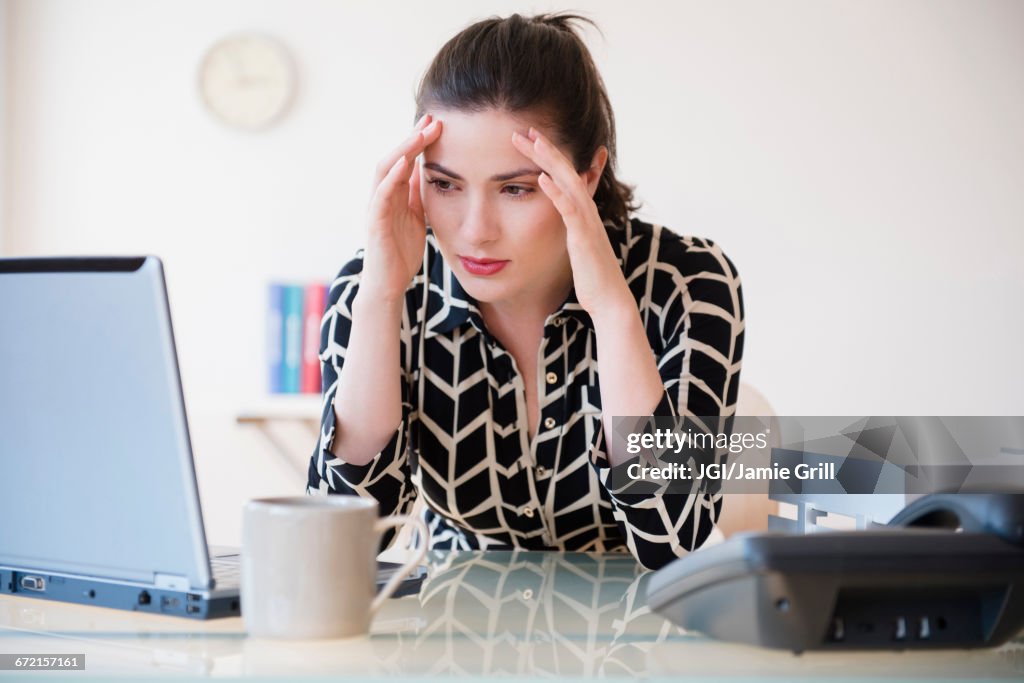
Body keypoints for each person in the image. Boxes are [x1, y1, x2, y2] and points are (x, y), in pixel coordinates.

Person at [306, 13, 745, 570]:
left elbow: (671, 538)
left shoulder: (687, 281)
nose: (474, 230)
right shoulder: (377, 287)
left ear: (585, 176)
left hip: (632, 631)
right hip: (453, 625)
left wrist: (612, 312)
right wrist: (381, 299)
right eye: (444, 184)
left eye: (514, 189)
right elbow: (342, 542)